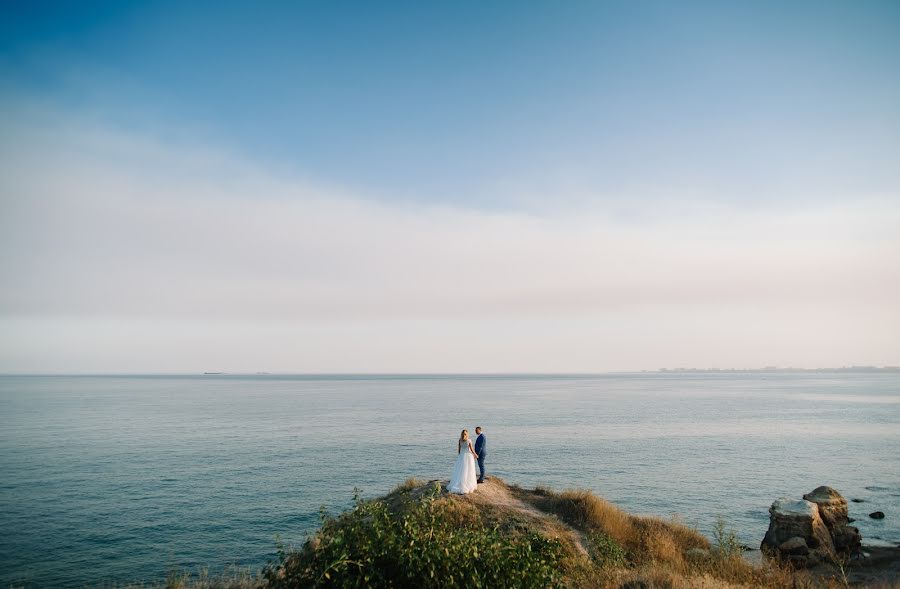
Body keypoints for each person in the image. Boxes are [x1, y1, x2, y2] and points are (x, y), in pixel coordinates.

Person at [448, 429, 478, 494]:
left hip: (461, 456)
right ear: (467, 434)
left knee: (460, 470)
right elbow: (472, 449)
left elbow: (459, 449)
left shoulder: (460, 440)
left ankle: (459, 482)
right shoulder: (469, 440)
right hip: (468, 456)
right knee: (468, 470)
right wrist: (475, 455)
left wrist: (460, 455)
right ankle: (466, 482)